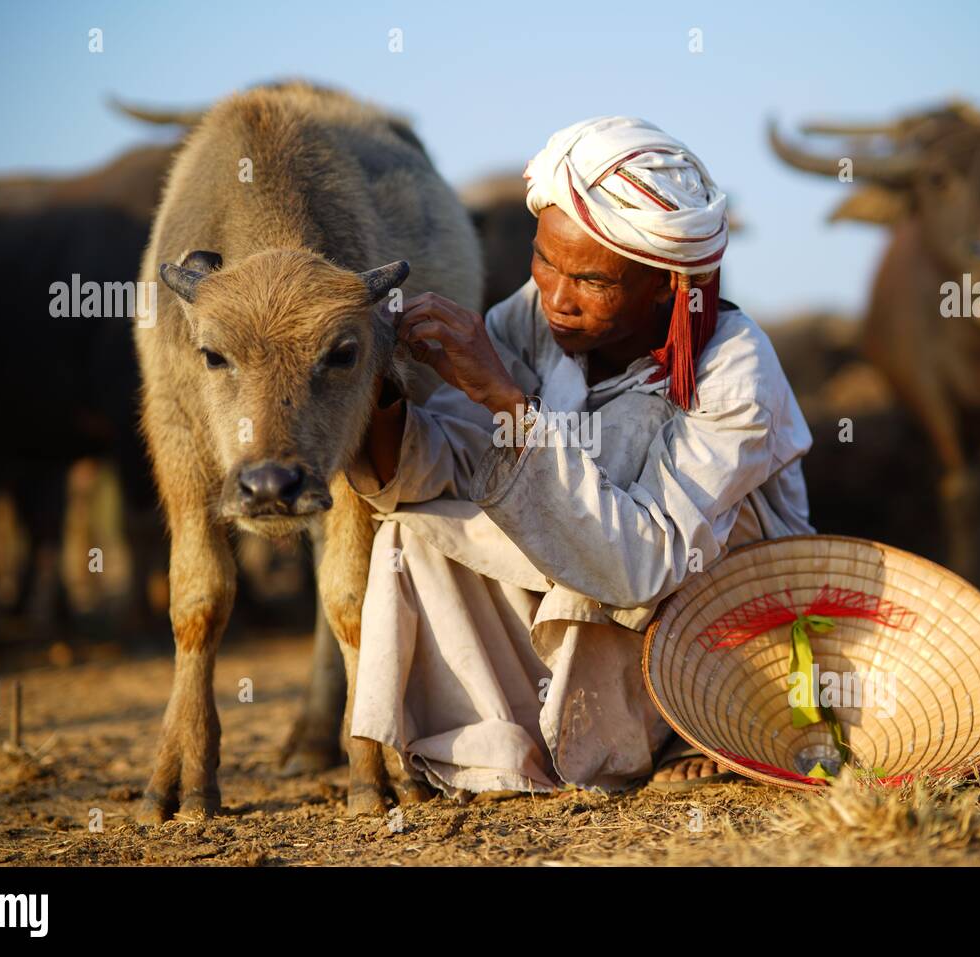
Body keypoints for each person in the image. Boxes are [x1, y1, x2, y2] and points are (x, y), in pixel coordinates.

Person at [346, 115, 814, 798]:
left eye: (592, 279)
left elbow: (644, 560)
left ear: (666, 285)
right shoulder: (536, 312)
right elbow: (447, 463)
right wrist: (381, 387)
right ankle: (502, 745)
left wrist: (506, 398)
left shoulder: (735, 369)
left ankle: (693, 729)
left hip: (699, 606)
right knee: (409, 536)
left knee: (598, 520)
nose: (557, 296)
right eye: (544, 260)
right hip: (593, 568)